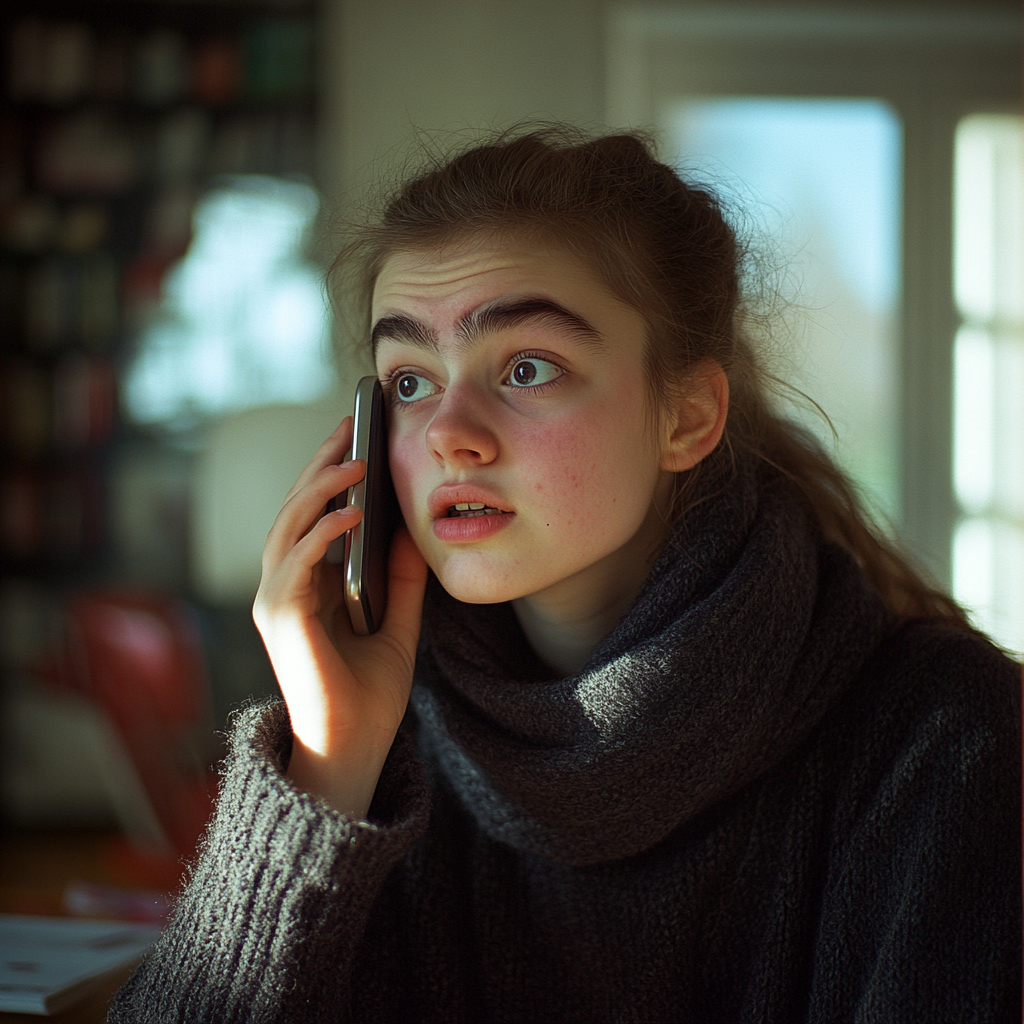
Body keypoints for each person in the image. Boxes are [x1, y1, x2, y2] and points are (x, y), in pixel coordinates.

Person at [109, 126, 1021, 1023]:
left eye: (528, 367)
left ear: (687, 416)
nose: (446, 433)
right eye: (409, 383)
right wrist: (325, 768)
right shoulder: (381, 735)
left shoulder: (949, 743)